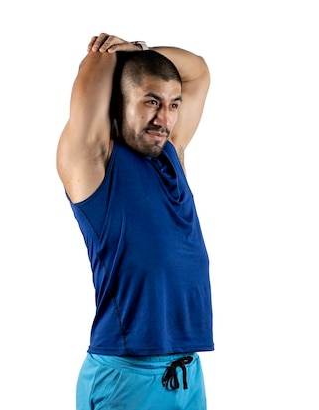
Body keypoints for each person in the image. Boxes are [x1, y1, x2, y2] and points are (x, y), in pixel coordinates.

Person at [56, 33, 213, 410]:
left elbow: (199, 72)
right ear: (118, 103)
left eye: (173, 104)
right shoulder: (92, 164)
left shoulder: (170, 153)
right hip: (129, 376)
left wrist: (140, 51)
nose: (165, 118)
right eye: (151, 102)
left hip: (187, 370)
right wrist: (108, 51)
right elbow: (91, 77)